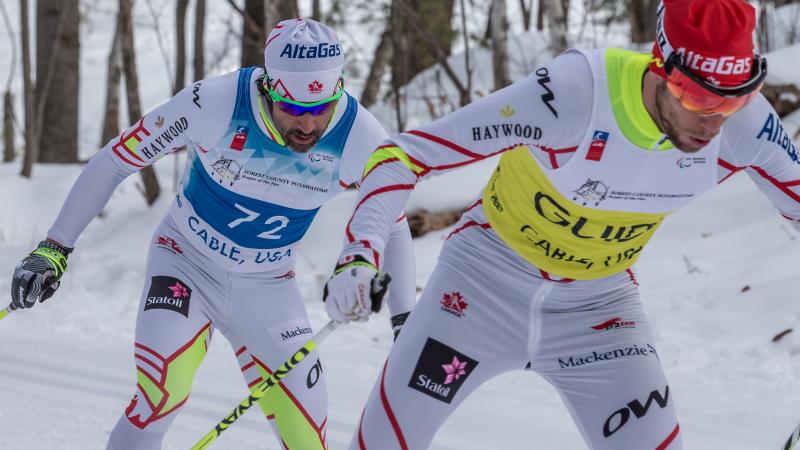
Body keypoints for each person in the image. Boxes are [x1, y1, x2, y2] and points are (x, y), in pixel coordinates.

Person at [321, 0, 800, 448]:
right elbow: (404, 155)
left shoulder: (747, 126)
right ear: (660, 66)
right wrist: (359, 250)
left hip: (598, 309)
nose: (714, 121)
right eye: (695, 96)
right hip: (479, 288)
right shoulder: (575, 95)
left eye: (733, 99)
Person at [9, 19, 416, 450]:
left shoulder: (361, 136)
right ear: (267, 88)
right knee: (161, 396)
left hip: (269, 286)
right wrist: (54, 248)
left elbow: (393, 220)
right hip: (185, 263)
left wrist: (405, 321)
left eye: (321, 108)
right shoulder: (215, 103)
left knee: (307, 435)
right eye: (293, 109)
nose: (308, 125)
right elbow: (117, 159)